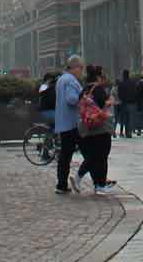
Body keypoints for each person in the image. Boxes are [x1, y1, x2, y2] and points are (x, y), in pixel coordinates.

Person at [76, 65, 116, 195]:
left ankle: (96, 183)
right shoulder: (99, 89)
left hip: (87, 127)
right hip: (100, 127)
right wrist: (109, 101)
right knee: (102, 156)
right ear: (98, 77)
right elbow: (104, 105)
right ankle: (98, 184)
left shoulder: (84, 90)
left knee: (93, 155)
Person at [52, 55, 84, 195]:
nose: (81, 71)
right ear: (75, 67)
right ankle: (97, 180)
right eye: (80, 68)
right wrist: (84, 99)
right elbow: (71, 99)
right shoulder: (71, 80)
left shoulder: (61, 79)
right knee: (88, 152)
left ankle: (61, 184)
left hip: (63, 122)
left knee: (65, 155)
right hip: (72, 123)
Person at [116, 67, 137, 138]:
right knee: (130, 118)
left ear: (123, 75)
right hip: (131, 103)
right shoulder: (132, 83)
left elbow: (119, 94)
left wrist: (122, 99)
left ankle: (126, 132)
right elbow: (135, 92)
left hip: (124, 103)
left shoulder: (121, 84)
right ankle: (129, 132)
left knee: (124, 118)